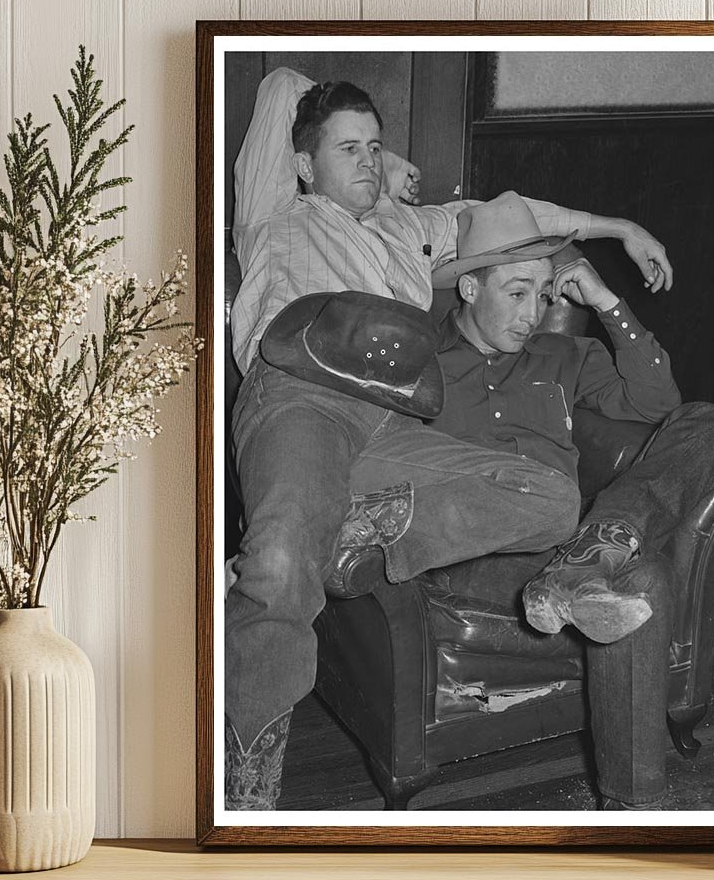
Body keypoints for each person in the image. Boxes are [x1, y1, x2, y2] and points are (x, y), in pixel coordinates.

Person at [226, 67, 679, 811]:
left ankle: (352, 532)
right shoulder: (279, 210)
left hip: (395, 422)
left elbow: (518, 213)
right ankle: (246, 807)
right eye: (349, 150)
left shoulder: (415, 228)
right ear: (303, 165)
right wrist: (392, 159)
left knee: (550, 496)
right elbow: (278, 84)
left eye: (376, 147)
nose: (369, 162)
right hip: (304, 399)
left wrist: (616, 228)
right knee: (278, 566)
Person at [420, 193, 714, 809]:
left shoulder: (562, 354)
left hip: (569, 541)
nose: (532, 313)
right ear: (467, 289)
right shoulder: (421, 364)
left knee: (710, 421)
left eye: (542, 295)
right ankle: (634, 804)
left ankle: (593, 554)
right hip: (481, 552)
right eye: (515, 293)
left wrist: (608, 303)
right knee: (640, 579)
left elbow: (657, 404)